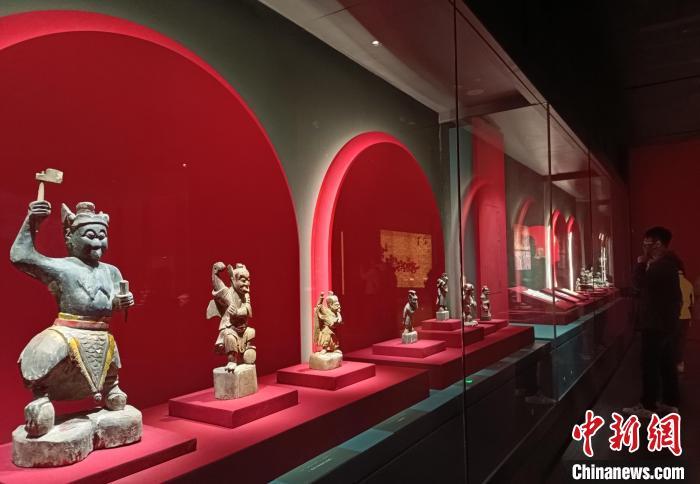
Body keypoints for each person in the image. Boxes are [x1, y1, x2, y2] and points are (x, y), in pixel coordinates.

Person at [623, 226, 682, 418]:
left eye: (646, 243)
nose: (643, 247)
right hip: (665, 323)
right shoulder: (670, 264)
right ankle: (669, 402)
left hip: (655, 323)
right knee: (666, 363)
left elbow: (639, 283)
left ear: (657, 244)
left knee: (649, 364)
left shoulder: (661, 265)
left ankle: (648, 404)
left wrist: (641, 264)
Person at [676, 265, 694, 373]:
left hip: (673, 316)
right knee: (681, 340)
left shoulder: (671, 284)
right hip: (686, 316)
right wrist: (691, 318)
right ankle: (680, 363)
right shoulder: (688, 284)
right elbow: (691, 303)